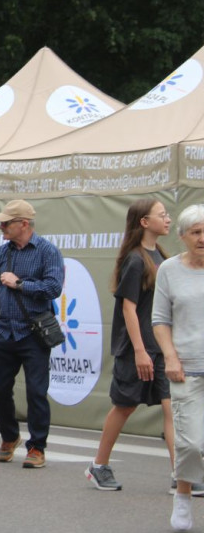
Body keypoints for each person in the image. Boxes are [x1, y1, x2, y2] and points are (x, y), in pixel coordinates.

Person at [87, 200, 185, 492]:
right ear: (144, 222)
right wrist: (140, 350)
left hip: (160, 349)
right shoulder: (134, 259)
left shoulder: (162, 257)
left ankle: (181, 475)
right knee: (125, 407)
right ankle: (99, 466)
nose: (168, 219)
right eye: (162, 215)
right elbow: (128, 309)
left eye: (168, 215)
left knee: (171, 408)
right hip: (136, 349)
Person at [0, 199, 63, 469]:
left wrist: (20, 284)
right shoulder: (1, 253)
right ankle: (9, 437)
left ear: (24, 224)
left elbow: (53, 288)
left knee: (36, 392)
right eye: (1, 222)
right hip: (2, 330)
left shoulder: (47, 252)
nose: (2, 227)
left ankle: (37, 447)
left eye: (7, 223)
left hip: (33, 333)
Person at [153, 204, 204, 532]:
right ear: (183, 236)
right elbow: (160, 319)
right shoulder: (169, 270)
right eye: (196, 232)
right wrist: (170, 357)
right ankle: (183, 493)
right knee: (191, 442)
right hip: (186, 368)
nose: (202, 238)